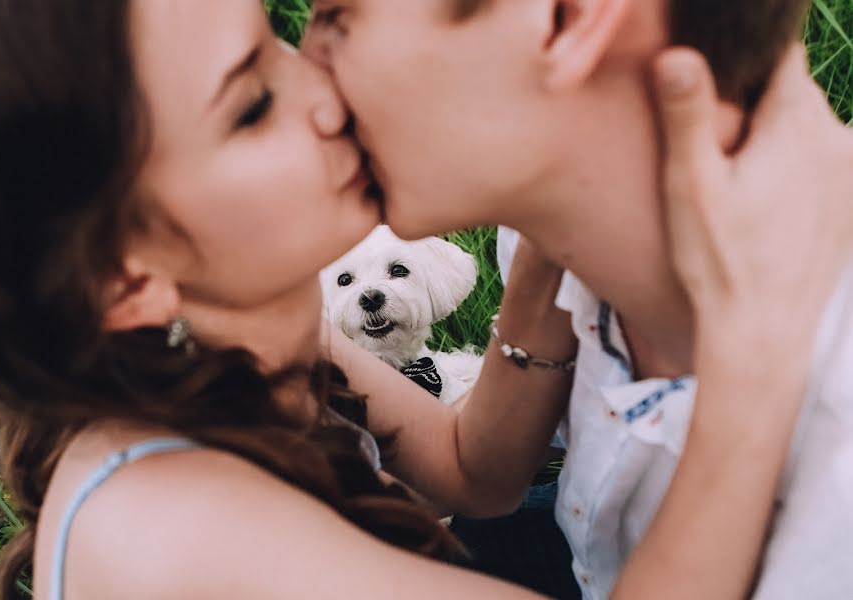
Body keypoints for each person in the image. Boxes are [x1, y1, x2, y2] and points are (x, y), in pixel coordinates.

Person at [0, 1, 848, 599]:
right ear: (125, 276)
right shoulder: (162, 527)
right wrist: (753, 352)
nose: (322, 87)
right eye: (255, 103)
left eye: (289, 33)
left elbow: (475, 472)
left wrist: (553, 246)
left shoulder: (237, 341)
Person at [302, 0, 853, 597]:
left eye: (339, 19)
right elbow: (477, 470)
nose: (309, 80)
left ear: (569, 18)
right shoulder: (546, 236)